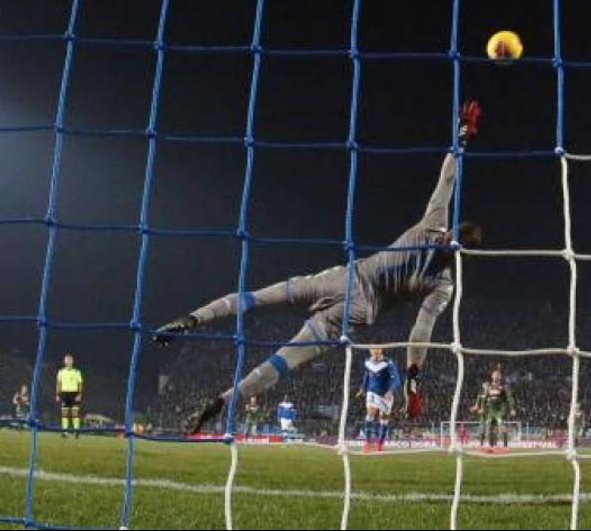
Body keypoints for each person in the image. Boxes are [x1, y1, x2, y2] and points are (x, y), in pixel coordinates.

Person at [155, 101, 483, 434]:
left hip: (349, 290)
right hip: (354, 299)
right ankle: (201, 350)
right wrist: (460, 138)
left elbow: (447, 181)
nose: (445, 239)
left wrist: (461, 138)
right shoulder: (441, 271)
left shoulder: (439, 260)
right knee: (275, 343)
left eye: (451, 241)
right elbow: (421, 332)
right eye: (449, 236)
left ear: (456, 248)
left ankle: (210, 384)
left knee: (269, 328)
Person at [357, 347, 400, 453]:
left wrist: (390, 391)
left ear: (381, 351)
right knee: (370, 413)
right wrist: (363, 389)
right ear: (370, 352)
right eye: (373, 352)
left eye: (377, 353)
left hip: (385, 394)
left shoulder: (388, 363)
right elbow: (366, 376)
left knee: (383, 419)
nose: (375, 355)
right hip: (372, 392)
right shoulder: (367, 362)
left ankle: (380, 444)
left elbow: (397, 379)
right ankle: (367, 442)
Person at [470, 368, 516, 450]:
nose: (496, 376)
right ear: (492, 376)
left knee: (501, 426)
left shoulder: (504, 387)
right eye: (494, 375)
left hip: (500, 410)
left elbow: (510, 398)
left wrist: (512, 408)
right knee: (489, 427)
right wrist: (482, 408)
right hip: (491, 411)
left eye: (497, 375)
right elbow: (484, 398)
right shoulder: (489, 387)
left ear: (500, 377)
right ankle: (491, 445)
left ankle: (505, 445)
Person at [56, 354, 84, 439]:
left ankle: (76, 432)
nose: (68, 361)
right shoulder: (61, 372)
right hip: (64, 394)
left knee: (75, 413)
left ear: (72, 361)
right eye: (67, 360)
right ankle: (65, 432)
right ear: (64, 361)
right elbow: (58, 384)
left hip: (74, 393)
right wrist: (57, 394)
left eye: (70, 360)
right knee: (64, 413)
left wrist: (79, 394)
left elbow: (80, 383)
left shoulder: (77, 372)